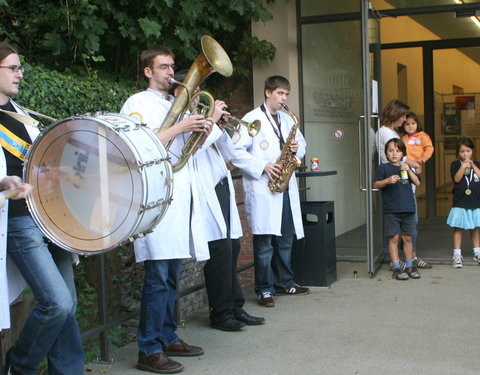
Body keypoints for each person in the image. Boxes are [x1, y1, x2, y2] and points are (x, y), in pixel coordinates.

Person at [120, 46, 211, 374]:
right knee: (158, 278)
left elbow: (185, 152)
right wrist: (181, 126)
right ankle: (148, 348)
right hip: (155, 200)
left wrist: (201, 132)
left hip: (179, 199)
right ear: (148, 71)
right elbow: (135, 148)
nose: (171, 72)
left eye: (173, 67)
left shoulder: (176, 102)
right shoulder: (136, 103)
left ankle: (168, 336)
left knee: (171, 276)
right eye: (164, 67)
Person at [0, 41, 85, 375]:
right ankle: (20, 366)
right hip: (20, 221)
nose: (20, 73)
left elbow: (41, 164)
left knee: (70, 304)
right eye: (13, 67)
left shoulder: (23, 116)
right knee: (57, 302)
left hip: (50, 215)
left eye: (20, 67)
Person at [189, 92, 265, 330]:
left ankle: (235, 307)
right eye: (193, 93)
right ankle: (220, 313)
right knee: (219, 251)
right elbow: (193, 150)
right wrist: (210, 120)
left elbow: (230, 155)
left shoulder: (203, 120)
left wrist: (222, 128)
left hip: (222, 185)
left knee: (232, 246)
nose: (198, 99)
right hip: (205, 189)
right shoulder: (185, 121)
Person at [231, 75, 309, 308]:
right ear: (267, 92)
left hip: (285, 187)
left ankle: (285, 283)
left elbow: (302, 145)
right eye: (279, 93)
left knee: (285, 238)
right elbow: (235, 151)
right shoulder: (250, 119)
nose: (283, 98)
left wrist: (296, 149)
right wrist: (262, 166)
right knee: (264, 243)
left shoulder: (286, 120)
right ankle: (264, 289)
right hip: (263, 187)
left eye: (286, 94)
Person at [373, 138, 421, 280]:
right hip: (392, 210)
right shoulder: (383, 168)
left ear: (402, 154)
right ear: (386, 153)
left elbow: (417, 181)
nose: (394, 154)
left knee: (408, 237)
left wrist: (408, 169)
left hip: (408, 208)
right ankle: (396, 266)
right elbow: (376, 184)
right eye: (391, 150)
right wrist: (387, 180)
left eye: (398, 151)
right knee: (393, 237)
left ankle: (410, 265)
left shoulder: (405, 166)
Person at [400, 111, 435, 269]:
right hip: (405, 167)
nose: (410, 126)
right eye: (407, 124)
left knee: (412, 215)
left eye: (412, 123)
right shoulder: (403, 138)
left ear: (417, 124)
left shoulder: (423, 136)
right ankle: (408, 253)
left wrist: (421, 160)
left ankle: (410, 253)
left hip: (415, 167)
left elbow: (429, 149)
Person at [446, 137, 480, 269]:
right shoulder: (455, 165)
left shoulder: (477, 163)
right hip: (460, 201)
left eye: (468, 151)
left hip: (475, 201)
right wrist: (464, 166)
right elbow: (457, 178)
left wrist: (472, 166)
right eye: (462, 152)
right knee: (458, 228)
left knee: (476, 227)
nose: (465, 154)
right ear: (457, 153)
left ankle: (477, 252)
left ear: (472, 151)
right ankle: (457, 255)